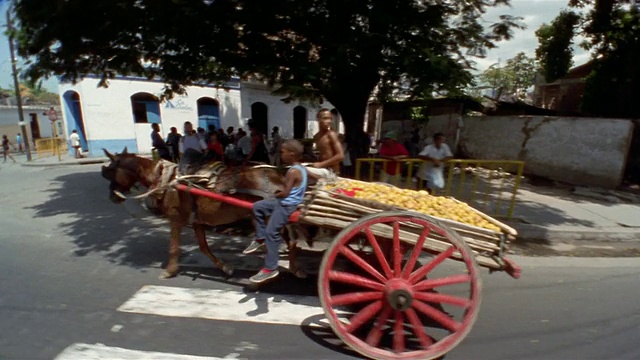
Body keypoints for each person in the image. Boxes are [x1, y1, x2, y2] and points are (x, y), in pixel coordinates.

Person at [243, 139, 308, 283]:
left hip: (286, 205)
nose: (281, 154)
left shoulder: (293, 172)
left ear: (292, 154)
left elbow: (285, 193)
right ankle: (260, 237)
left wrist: (276, 194)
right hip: (285, 201)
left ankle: (270, 268)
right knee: (257, 207)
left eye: (283, 152)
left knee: (272, 233)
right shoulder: (302, 168)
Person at [308, 108, 344, 179]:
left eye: (330, 118)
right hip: (322, 170)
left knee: (300, 170)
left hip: (331, 172)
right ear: (318, 119)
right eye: (325, 118)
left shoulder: (331, 134)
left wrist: (321, 164)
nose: (329, 121)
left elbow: (340, 156)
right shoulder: (316, 136)